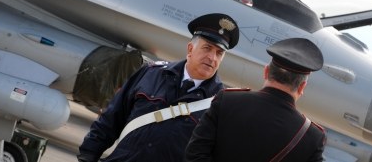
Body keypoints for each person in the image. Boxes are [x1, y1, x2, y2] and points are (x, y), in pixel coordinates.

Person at [77, 13, 240, 162]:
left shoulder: (221, 104)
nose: (212, 57)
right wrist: (88, 155)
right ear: (190, 49)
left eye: (219, 53)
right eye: (207, 48)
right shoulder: (150, 74)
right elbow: (111, 118)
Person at [183, 37, 327, 162]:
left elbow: (194, 155)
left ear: (266, 72)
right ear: (302, 87)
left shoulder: (226, 101)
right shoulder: (312, 136)